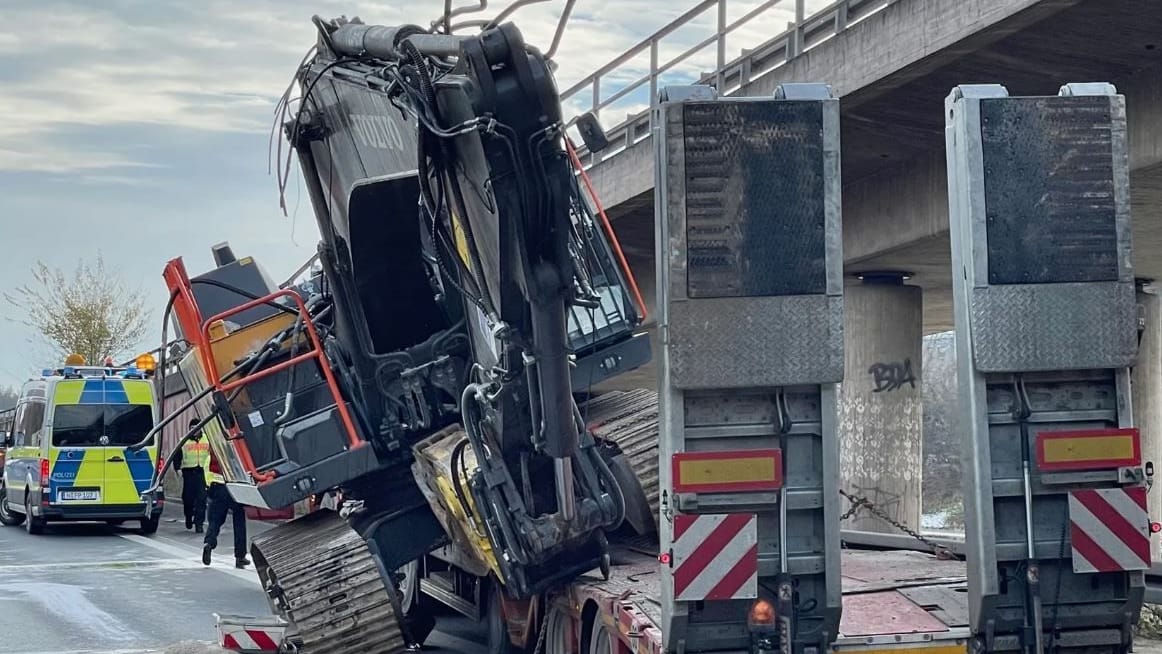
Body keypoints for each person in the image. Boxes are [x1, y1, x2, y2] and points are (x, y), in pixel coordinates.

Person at [202, 448, 250, 569]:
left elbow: (206, 471)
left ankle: (209, 543)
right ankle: (240, 556)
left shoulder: (212, 452)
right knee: (239, 520)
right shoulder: (233, 450)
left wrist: (210, 490)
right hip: (232, 487)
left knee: (215, 521)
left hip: (217, 487)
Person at [171, 418, 209, 532]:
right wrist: (177, 469)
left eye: (196, 428)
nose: (194, 430)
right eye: (191, 428)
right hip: (188, 472)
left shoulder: (207, 440)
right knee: (188, 499)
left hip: (203, 472)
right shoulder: (184, 440)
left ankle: (199, 524)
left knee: (202, 499)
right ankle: (188, 516)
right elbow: (176, 456)